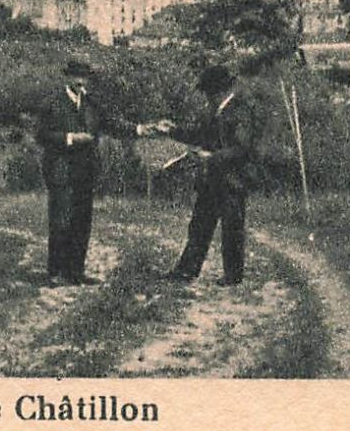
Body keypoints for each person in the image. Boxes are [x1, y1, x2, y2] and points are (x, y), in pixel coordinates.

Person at [31, 57, 160, 287]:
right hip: (60, 170)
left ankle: (76, 271)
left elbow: (111, 123)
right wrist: (70, 138)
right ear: (68, 77)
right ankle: (55, 272)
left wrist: (141, 129)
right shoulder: (52, 103)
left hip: (85, 170)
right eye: (77, 76)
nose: (81, 81)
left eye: (85, 77)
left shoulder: (91, 104)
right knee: (61, 220)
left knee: (82, 221)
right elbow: (41, 135)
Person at [158, 64, 267, 286]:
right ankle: (186, 270)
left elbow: (242, 148)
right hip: (211, 180)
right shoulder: (215, 112)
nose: (208, 98)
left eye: (209, 93)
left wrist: (211, 157)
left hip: (233, 180)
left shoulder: (241, 112)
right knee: (199, 225)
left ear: (219, 91)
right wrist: (172, 130)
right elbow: (198, 135)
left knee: (232, 229)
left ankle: (233, 276)